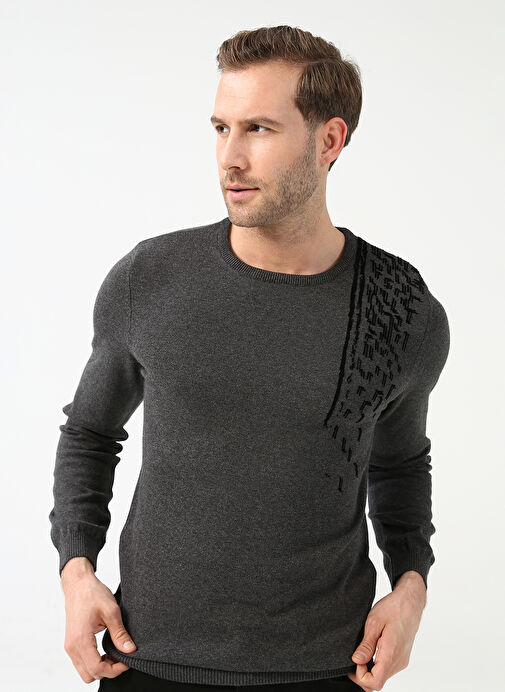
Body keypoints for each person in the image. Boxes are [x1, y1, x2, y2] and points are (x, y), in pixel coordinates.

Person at [49, 25, 450, 692]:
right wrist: (75, 568)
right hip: (145, 657)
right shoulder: (151, 278)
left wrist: (412, 584)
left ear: (329, 140)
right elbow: (90, 432)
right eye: (220, 128)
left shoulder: (399, 306)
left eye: (258, 129)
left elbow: (399, 460)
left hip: (328, 669)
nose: (229, 158)